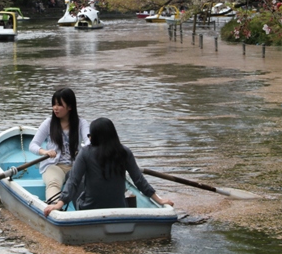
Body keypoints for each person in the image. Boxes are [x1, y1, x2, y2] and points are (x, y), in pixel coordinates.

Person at [43, 117, 174, 216]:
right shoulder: (124, 152)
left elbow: (73, 182)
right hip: (119, 208)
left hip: (89, 209)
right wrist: (159, 200)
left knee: (69, 176)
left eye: (90, 135)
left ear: (95, 137)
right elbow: (139, 180)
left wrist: (58, 204)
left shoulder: (86, 152)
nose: (88, 138)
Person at [29, 88, 90, 203]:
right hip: (55, 165)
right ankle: (55, 208)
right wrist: (45, 152)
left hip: (76, 166)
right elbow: (33, 145)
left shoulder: (81, 123)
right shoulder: (48, 123)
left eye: (59, 104)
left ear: (70, 107)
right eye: (54, 104)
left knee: (87, 183)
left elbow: (88, 141)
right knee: (53, 182)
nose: (55, 108)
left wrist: (84, 150)